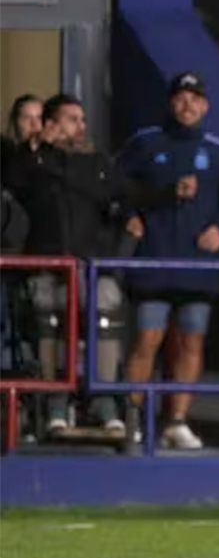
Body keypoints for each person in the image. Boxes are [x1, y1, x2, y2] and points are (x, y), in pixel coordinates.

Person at [118, 72, 219, 450]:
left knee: (192, 341)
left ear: (205, 106)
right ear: (170, 103)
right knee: (147, 338)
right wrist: (130, 214)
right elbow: (113, 185)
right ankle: (131, 418)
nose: (187, 105)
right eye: (180, 98)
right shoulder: (145, 143)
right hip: (153, 262)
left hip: (198, 267)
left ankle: (176, 421)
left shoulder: (218, 151)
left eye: (194, 99)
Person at [6, 94, 148, 437]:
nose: (81, 126)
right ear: (51, 124)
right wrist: (38, 150)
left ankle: (105, 402)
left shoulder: (95, 164)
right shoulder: (34, 162)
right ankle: (55, 403)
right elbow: (14, 182)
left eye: (82, 119)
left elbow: (125, 194)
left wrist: (144, 208)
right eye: (73, 119)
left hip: (90, 265)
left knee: (106, 306)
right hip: (46, 266)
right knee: (51, 313)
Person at [1, 94, 42, 178]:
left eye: (39, 117)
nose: (34, 124)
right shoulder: (6, 154)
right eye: (27, 118)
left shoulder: (55, 155)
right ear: (15, 122)